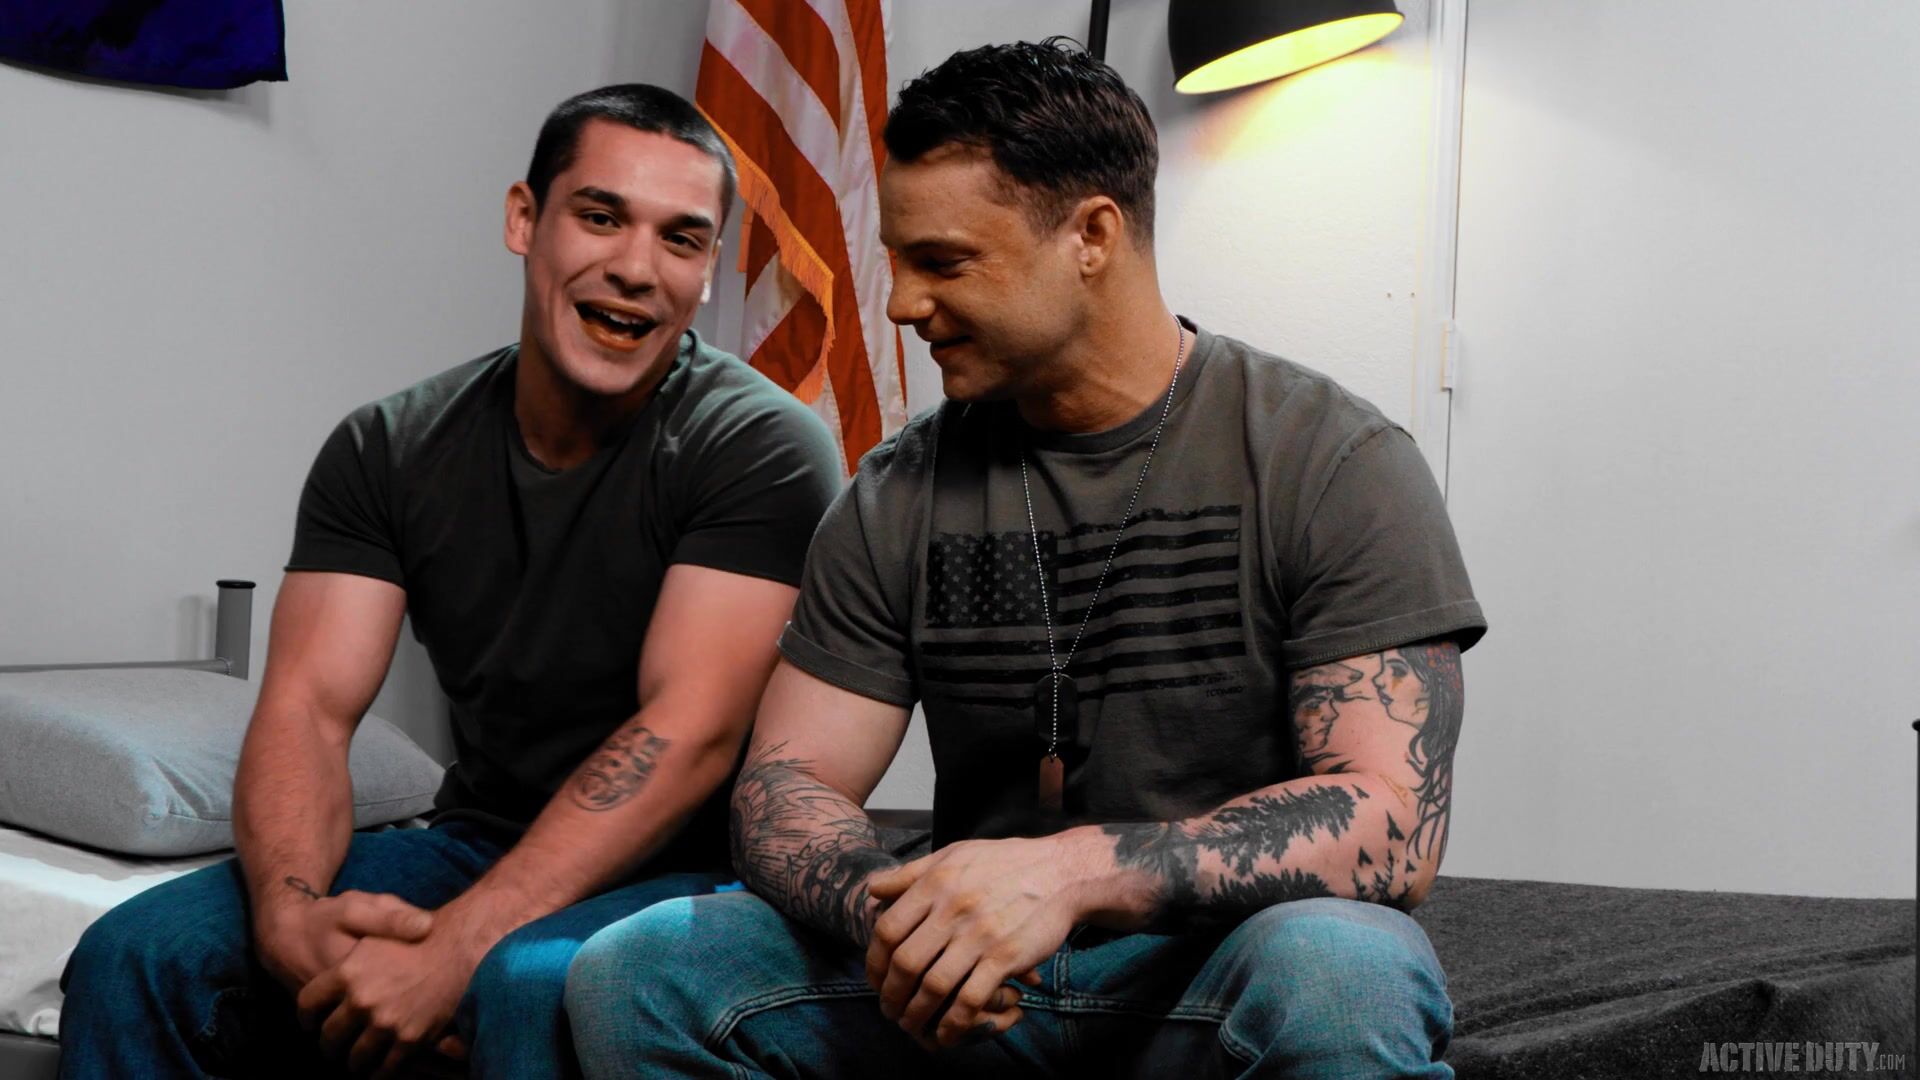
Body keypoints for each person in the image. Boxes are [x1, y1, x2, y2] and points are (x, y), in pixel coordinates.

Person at [565, 40, 1490, 1079]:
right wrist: (904, 922)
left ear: (1091, 235)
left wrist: (1071, 874)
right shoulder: (898, 492)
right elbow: (788, 783)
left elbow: (1391, 821)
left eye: (944, 263)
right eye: (898, 260)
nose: (901, 303)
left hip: (1211, 969)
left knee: (1346, 970)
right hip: (969, 987)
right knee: (638, 971)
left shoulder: (1330, 461)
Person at [57, 83, 841, 1080]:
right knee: (139, 954)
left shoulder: (762, 445)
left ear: (710, 266)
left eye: (680, 239)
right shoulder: (388, 448)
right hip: (480, 839)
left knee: (523, 982)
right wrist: (291, 916)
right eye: (601, 217)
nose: (637, 268)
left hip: (699, 876)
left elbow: (690, 731)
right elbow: (307, 709)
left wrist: (459, 946)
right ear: (524, 219)